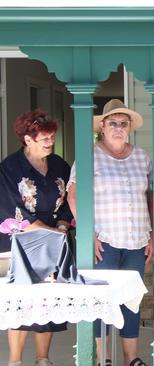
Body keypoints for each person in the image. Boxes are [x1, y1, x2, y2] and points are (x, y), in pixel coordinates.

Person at [67, 99, 153, 366]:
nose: (118, 128)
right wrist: (88, 234)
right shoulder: (89, 155)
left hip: (137, 240)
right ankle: (102, 358)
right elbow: (73, 196)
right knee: (100, 300)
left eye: (123, 124)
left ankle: (131, 358)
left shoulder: (141, 156)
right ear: (102, 126)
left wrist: (153, 235)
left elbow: (150, 196)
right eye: (113, 123)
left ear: (129, 128)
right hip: (103, 240)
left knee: (131, 300)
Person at [0, 110, 73, 366]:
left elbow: (67, 205)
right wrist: (52, 232)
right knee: (21, 304)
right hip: (22, 243)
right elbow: (12, 209)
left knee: (48, 304)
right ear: (27, 139)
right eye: (44, 137)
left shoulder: (59, 165)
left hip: (54, 243)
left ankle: (43, 359)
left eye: (52, 137)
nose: (50, 142)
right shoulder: (9, 168)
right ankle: (15, 361)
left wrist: (62, 227)